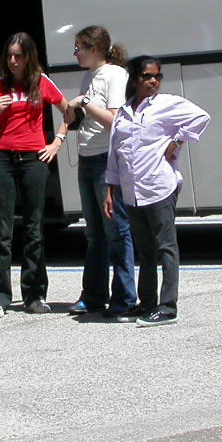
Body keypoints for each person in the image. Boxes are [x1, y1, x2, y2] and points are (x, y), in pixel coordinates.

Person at [104, 56, 210, 327]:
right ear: (134, 80)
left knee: (166, 248)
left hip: (159, 187)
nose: (154, 81)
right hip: (132, 192)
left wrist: (178, 140)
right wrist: (110, 190)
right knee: (145, 251)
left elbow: (201, 117)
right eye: (147, 76)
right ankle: (147, 304)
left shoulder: (166, 104)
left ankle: (168, 307)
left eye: (158, 76)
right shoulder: (124, 112)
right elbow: (115, 153)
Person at [0, 32, 69, 316]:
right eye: (9, 55)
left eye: (18, 56)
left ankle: (34, 295)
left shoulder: (41, 81)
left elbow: (68, 111)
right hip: (3, 158)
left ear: (28, 57)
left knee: (34, 229)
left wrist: (56, 142)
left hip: (34, 158)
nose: (13, 61)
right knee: (2, 231)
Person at [59, 26, 138, 318]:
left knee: (116, 230)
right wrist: (75, 113)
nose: (75, 53)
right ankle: (93, 295)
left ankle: (125, 298)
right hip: (87, 157)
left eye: (79, 47)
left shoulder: (114, 74)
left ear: (95, 49)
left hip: (106, 158)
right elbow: (93, 115)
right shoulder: (90, 75)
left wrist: (84, 102)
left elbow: (114, 120)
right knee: (94, 232)